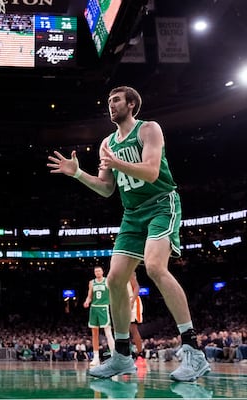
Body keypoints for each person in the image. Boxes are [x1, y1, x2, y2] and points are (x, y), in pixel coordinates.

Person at [47, 85, 210, 382]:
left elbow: (150, 172)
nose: (111, 105)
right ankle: (122, 356)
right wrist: (78, 174)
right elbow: (107, 188)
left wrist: (116, 161)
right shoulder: (107, 142)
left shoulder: (149, 129)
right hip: (132, 215)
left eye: (116, 100)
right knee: (114, 278)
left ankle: (193, 350)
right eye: (108, 101)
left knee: (155, 267)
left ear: (132, 104)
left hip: (161, 204)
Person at [83, 265, 115, 367]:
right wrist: (87, 301)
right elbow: (89, 296)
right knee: (94, 334)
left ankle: (114, 355)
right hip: (94, 308)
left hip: (103, 307)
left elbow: (112, 294)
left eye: (99, 271)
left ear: (102, 272)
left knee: (108, 332)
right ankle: (96, 357)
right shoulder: (91, 282)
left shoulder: (107, 281)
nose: (97, 272)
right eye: (95, 271)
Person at [128, 271, 145, 365]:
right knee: (123, 330)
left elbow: (137, 287)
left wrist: (132, 301)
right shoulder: (118, 273)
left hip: (132, 301)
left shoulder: (129, 272)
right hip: (123, 301)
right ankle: (126, 354)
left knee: (133, 328)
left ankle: (140, 354)